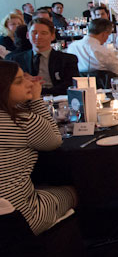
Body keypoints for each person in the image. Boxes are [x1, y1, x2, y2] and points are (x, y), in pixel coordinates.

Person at [0, 60, 78, 235]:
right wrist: (36, 100)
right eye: (20, 81)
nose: (30, 83)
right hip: (20, 217)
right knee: (74, 190)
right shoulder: (21, 121)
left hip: (5, 209)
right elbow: (54, 140)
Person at [7, 18, 78, 95]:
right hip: (26, 100)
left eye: (43, 33)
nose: (38, 36)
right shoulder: (16, 59)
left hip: (58, 99)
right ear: (28, 35)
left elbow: (70, 85)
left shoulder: (67, 59)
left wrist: (40, 92)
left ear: (52, 36)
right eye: (34, 32)